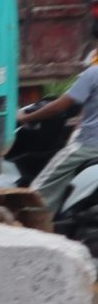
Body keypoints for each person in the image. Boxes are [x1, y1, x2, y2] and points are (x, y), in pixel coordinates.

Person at [20, 47, 98, 214]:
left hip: (90, 145)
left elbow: (59, 106)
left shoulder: (93, 73)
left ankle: (32, 219)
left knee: (42, 185)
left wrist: (25, 117)